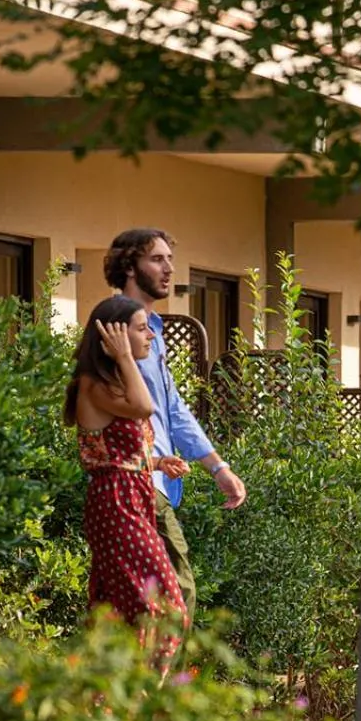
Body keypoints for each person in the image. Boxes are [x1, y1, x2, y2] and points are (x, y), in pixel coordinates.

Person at [104, 229, 247, 614]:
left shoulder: (154, 331)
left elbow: (173, 409)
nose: (169, 269)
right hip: (137, 482)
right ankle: (166, 676)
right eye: (157, 259)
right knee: (177, 595)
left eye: (170, 259)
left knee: (145, 602)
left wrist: (217, 466)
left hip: (157, 481)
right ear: (130, 266)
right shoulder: (116, 329)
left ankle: (141, 675)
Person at [63, 295, 189, 633]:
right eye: (141, 328)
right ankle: (146, 685)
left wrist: (158, 462)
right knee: (165, 609)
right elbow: (144, 406)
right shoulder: (94, 385)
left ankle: (113, 685)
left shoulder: (112, 386)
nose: (150, 335)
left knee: (119, 611)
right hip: (117, 502)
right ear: (113, 335)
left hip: (133, 494)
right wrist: (123, 355)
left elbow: (117, 450)